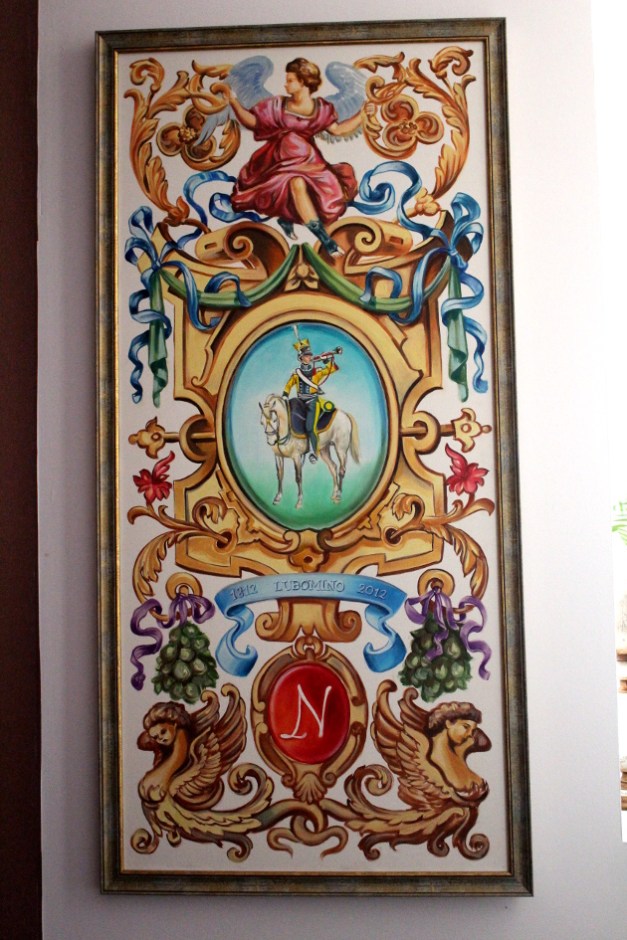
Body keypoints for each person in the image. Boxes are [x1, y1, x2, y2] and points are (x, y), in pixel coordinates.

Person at [224, 57, 371, 256]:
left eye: (290, 80)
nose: (285, 84)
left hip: (310, 163)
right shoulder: (277, 106)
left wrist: (362, 115)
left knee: (320, 197)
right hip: (279, 163)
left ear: (303, 82)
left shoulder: (321, 109)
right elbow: (253, 122)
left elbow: (337, 130)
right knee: (296, 183)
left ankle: (288, 217)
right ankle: (326, 241)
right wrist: (233, 101)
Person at [283, 338, 339, 462]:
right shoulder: (297, 373)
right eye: (306, 355)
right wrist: (285, 395)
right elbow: (289, 385)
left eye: (309, 355)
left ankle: (315, 453)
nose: (309, 357)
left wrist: (326, 361)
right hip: (300, 401)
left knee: (310, 427)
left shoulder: (316, 372)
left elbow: (332, 369)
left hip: (312, 402)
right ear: (301, 358)